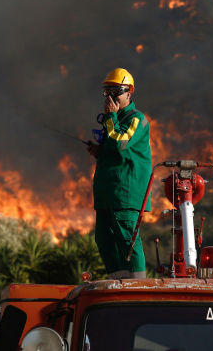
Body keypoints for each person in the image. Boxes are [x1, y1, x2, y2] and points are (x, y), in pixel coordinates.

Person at [86, 68, 152, 279]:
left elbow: (122, 143)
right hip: (108, 194)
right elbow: (115, 154)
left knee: (127, 240)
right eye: (108, 92)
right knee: (105, 241)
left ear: (129, 93)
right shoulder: (111, 121)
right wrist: (99, 153)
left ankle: (137, 286)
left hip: (125, 194)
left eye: (117, 91)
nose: (112, 97)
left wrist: (111, 117)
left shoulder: (136, 118)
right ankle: (118, 282)